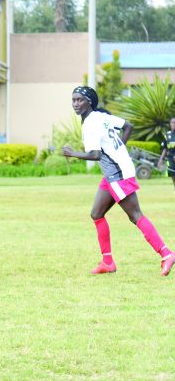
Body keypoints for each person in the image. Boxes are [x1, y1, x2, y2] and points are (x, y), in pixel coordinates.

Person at [63, 86, 173, 276]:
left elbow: (95, 154)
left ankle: (167, 254)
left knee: (135, 215)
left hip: (118, 173)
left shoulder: (91, 123)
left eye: (80, 100)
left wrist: (73, 153)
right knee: (96, 214)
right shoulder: (101, 117)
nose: (75, 104)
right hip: (114, 172)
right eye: (73, 100)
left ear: (89, 101)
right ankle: (108, 262)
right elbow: (128, 126)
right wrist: (119, 150)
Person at [157, 117, 175, 192]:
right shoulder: (167, 135)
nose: (174, 124)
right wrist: (161, 160)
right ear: (170, 124)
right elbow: (165, 148)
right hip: (171, 158)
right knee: (173, 175)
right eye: (172, 122)